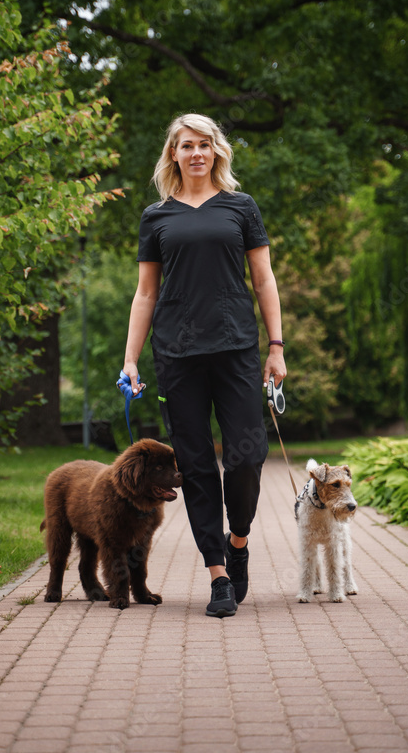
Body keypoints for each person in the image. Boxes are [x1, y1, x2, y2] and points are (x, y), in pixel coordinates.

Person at [122, 113, 286, 617]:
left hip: (236, 347)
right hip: (177, 356)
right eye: (186, 145)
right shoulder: (157, 216)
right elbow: (146, 291)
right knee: (193, 466)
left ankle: (238, 543)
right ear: (173, 154)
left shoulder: (241, 207)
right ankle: (217, 572)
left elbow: (263, 279)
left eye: (205, 144)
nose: (196, 153)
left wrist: (276, 346)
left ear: (217, 152)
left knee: (245, 457)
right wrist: (130, 359)